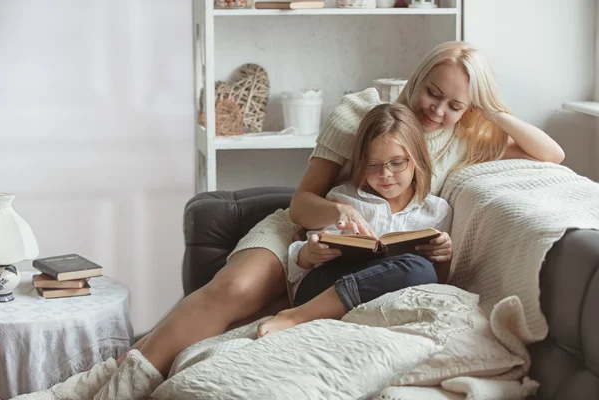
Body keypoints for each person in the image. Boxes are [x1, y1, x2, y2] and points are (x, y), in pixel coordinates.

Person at [122, 41, 565, 378]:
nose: (438, 110)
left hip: (373, 252)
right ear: (419, 78)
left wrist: (487, 107)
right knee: (236, 290)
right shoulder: (359, 111)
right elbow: (301, 203)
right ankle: (125, 378)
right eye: (433, 93)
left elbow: (552, 155)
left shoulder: (467, 135)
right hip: (313, 226)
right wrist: (336, 217)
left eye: (455, 104)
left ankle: (270, 319)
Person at [258, 103, 453, 336]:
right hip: (323, 288)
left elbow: (437, 282)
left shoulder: (436, 211)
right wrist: (309, 254)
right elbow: (302, 266)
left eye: (397, 162)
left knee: (420, 270)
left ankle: (344, 314)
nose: (385, 174)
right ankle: (297, 316)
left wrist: (444, 257)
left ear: (416, 158)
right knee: (416, 269)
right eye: (374, 165)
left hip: (389, 291)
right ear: (362, 163)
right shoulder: (343, 199)